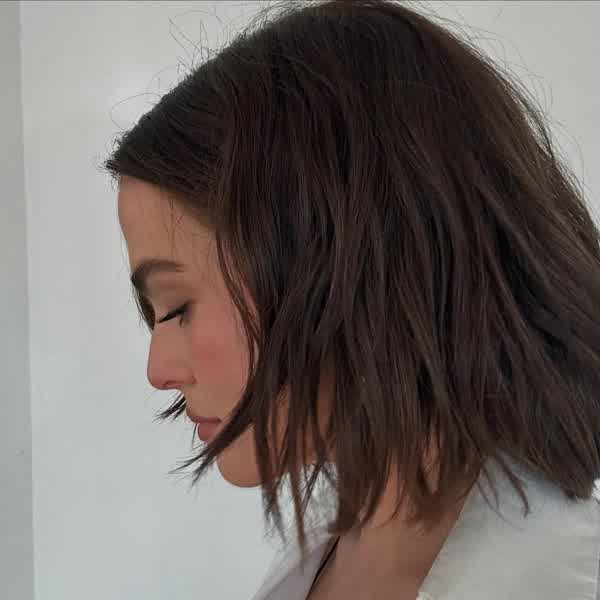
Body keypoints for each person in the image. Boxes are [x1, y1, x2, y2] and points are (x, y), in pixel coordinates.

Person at [105, 1, 600, 598]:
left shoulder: (560, 578)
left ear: (353, 261)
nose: (159, 371)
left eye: (177, 307)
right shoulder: (336, 543)